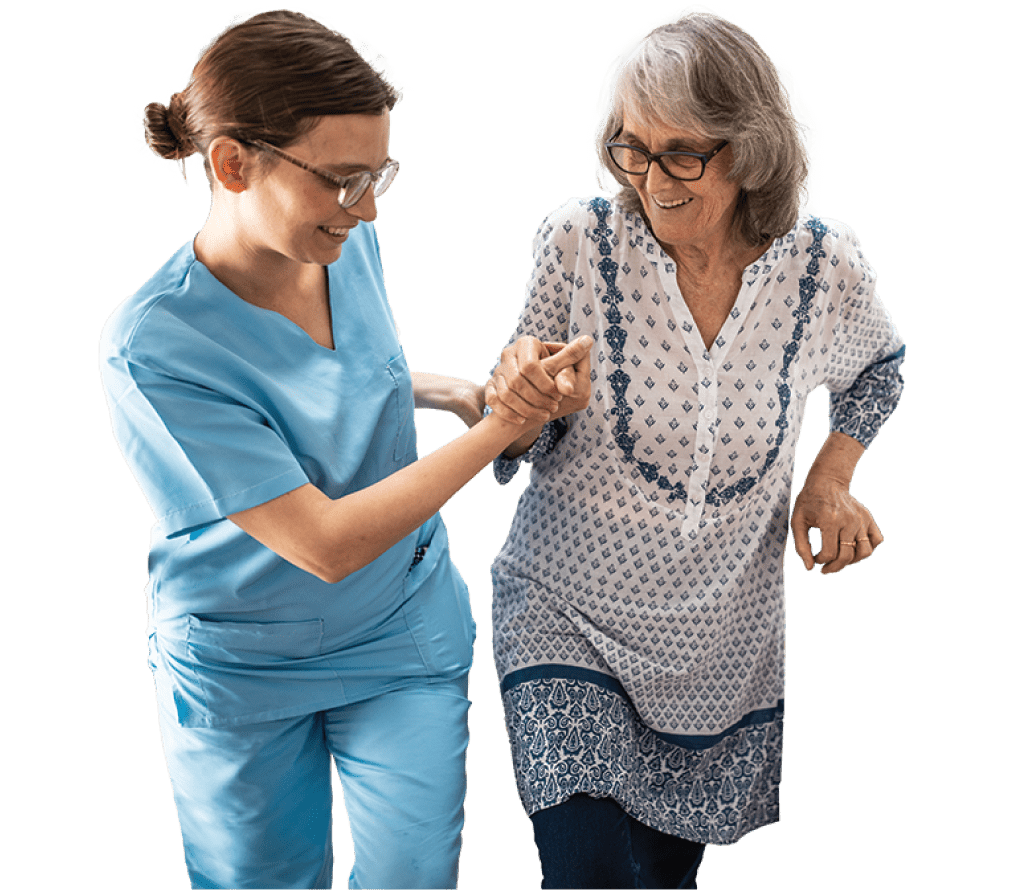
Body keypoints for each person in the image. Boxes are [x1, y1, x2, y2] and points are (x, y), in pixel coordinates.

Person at [98, 9, 590, 889]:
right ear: (232, 163)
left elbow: (329, 384)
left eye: (377, 175)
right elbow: (323, 541)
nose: (364, 207)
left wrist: (446, 390)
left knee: (414, 876)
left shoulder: (337, 238)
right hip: (245, 657)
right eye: (341, 179)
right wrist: (501, 428)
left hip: (399, 625)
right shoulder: (152, 345)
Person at [483, 8, 906, 889]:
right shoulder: (578, 243)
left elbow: (880, 370)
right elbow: (514, 413)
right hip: (565, 607)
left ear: (749, 151)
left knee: (661, 878)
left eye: (683, 152)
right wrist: (520, 399)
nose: (651, 179)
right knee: (589, 873)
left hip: (719, 642)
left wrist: (830, 480)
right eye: (630, 149)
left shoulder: (822, 267)